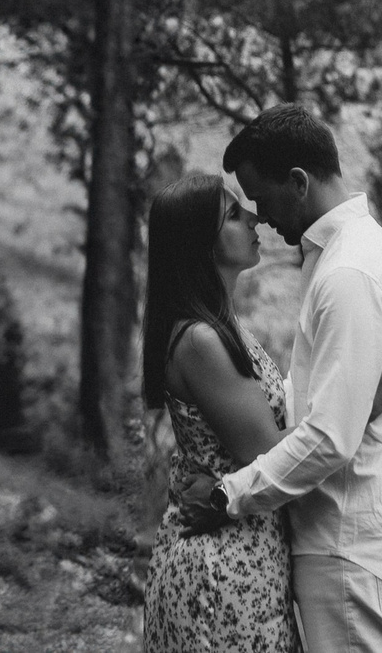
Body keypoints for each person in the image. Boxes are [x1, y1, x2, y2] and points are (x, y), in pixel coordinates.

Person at [179, 104, 382, 653]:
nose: (261, 217)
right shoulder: (356, 254)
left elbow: (330, 439)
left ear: (298, 182)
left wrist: (228, 495)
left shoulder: (348, 274)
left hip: (347, 542)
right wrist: (361, 404)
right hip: (351, 540)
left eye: (262, 197)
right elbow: (327, 410)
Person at [140, 172, 297, 653]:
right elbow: (277, 461)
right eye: (233, 214)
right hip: (223, 574)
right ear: (200, 245)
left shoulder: (216, 327)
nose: (253, 216)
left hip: (239, 560)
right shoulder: (202, 340)